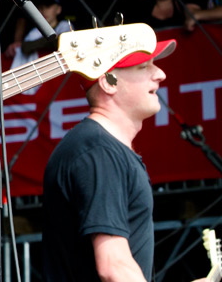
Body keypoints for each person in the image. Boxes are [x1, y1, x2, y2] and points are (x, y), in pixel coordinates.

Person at [42, 36, 209, 282]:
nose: (160, 74)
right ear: (108, 81)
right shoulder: (99, 152)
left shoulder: (100, 148)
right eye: (144, 67)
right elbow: (114, 267)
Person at [10, 0, 71, 69]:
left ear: (58, 9)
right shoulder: (35, 31)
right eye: (41, 7)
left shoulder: (65, 25)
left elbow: (64, 41)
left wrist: (40, 43)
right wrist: (52, 40)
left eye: (48, 6)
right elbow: (25, 47)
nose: (44, 11)